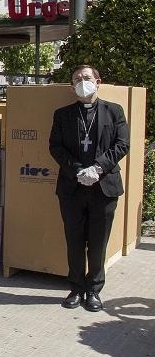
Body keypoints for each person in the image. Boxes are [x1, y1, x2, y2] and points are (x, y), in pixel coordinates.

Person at [49, 65, 130, 312]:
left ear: (98, 81)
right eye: (77, 79)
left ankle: (93, 290)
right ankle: (75, 288)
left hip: (103, 187)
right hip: (72, 188)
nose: (82, 82)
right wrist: (77, 170)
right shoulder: (62, 114)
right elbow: (55, 147)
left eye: (86, 78)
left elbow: (122, 144)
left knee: (98, 243)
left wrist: (97, 168)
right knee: (74, 240)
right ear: (72, 85)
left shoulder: (114, 111)